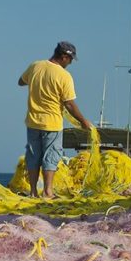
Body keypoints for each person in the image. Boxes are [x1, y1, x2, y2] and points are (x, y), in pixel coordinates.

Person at [18, 41, 93, 199]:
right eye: (70, 60)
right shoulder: (64, 76)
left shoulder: (35, 66)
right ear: (65, 57)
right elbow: (69, 104)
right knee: (50, 157)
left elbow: (21, 81)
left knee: (33, 156)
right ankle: (47, 191)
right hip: (52, 123)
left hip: (32, 121)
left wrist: (37, 83)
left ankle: (33, 192)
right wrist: (83, 121)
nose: (70, 63)